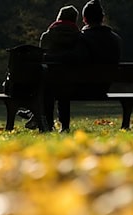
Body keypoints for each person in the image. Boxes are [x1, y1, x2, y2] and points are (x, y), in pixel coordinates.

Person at [43, 0, 122, 132]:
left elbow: (75, 57)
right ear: (102, 18)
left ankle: (60, 126)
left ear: (84, 19)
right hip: (103, 87)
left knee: (56, 86)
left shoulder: (83, 38)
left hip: (84, 87)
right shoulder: (116, 39)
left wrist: (49, 58)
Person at [20, 5, 81, 129]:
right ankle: (64, 126)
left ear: (59, 18)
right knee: (63, 86)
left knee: (47, 83)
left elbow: (41, 59)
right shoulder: (80, 37)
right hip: (72, 82)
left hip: (48, 81)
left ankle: (44, 121)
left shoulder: (47, 35)